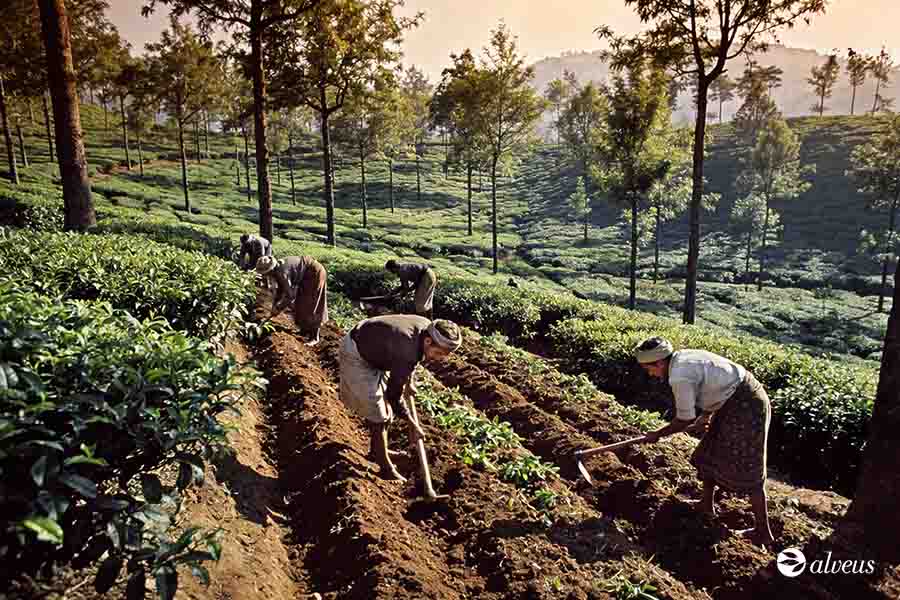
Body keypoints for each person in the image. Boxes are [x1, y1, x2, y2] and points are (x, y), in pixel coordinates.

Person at [633, 336, 774, 546]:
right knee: (708, 452)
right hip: (730, 401)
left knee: (748, 466)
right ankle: (706, 504)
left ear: (659, 362)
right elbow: (714, 382)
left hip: (747, 406)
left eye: (648, 369)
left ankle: (763, 531)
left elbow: (684, 419)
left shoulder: (679, 376)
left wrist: (657, 434)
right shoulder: (680, 359)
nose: (650, 374)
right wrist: (706, 415)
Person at [339, 315, 462, 484]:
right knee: (378, 414)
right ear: (427, 341)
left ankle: (377, 451)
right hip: (358, 353)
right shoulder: (406, 350)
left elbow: (414, 358)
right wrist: (413, 424)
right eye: (438, 352)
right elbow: (394, 396)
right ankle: (385, 467)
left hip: (378, 348)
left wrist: (408, 382)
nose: (440, 358)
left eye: (444, 355)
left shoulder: (427, 329)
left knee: (386, 413)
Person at [256, 255, 329, 346]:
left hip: (315, 273)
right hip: (305, 276)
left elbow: (290, 296)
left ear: (270, 270)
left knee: (312, 304)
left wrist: (278, 308)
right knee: (301, 303)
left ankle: (314, 337)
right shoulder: (277, 270)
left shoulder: (282, 272)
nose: (266, 275)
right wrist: (275, 305)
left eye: (266, 273)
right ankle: (304, 330)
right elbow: (280, 290)